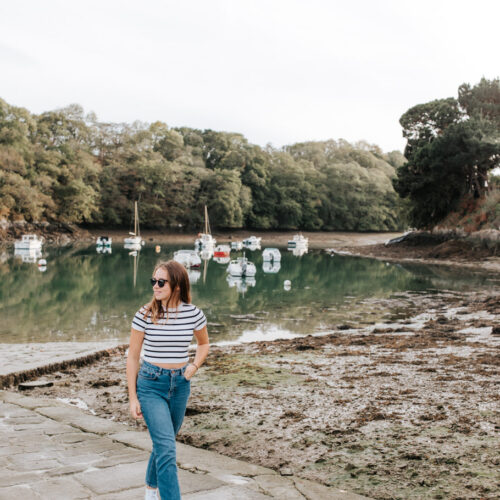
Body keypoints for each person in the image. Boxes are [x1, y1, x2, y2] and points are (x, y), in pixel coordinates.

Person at [127, 260, 209, 500]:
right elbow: (132, 358)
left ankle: (151, 490)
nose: (155, 286)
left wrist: (193, 366)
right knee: (167, 448)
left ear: (176, 286)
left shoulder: (193, 314)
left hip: (180, 385)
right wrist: (132, 397)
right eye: (153, 281)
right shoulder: (145, 314)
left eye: (161, 281)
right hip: (151, 385)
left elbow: (203, 344)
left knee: (165, 443)